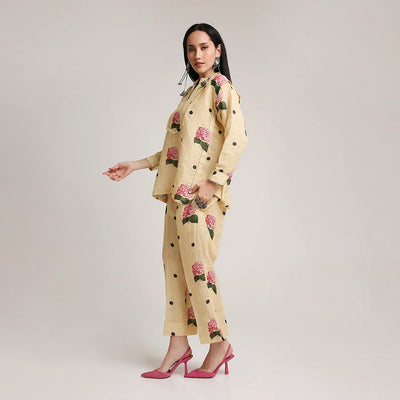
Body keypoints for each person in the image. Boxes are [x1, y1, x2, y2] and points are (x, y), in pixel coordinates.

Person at [103, 23, 248, 378]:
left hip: (201, 200)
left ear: (218, 50)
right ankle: (178, 344)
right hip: (177, 198)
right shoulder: (191, 94)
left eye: (204, 47)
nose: (197, 55)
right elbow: (176, 151)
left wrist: (214, 183)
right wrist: (136, 165)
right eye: (190, 49)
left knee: (199, 271)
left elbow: (238, 138)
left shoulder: (221, 88)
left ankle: (220, 345)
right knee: (175, 269)